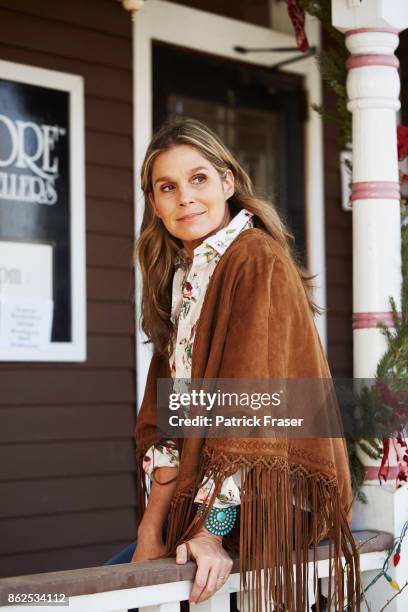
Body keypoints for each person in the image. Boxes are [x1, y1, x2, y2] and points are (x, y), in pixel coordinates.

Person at [107, 117, 360, 612]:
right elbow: (168, 423)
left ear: (228, 182)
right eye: (168, 187)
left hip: (267, 504)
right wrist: (150, 530)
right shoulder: (185, 277)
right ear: (155, 206)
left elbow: (250, 412)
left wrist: (211, 533)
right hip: (204, 501)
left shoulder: (254, 259)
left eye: (199, 178)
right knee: (116, 582)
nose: (185, 198)